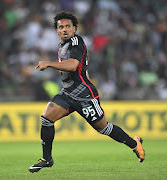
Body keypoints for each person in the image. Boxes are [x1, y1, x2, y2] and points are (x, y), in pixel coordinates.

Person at [28, 12, 145, 173]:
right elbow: (80, 67)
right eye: (61, 27)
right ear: (57, 30)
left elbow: (72, 66)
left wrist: (48, 63)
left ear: (74, 28)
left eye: (68, 26)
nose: (64, 29)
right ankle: (47, 159)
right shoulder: (61, 46)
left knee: (103, 128)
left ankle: (134, 143)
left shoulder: (77, 41)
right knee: (46, 118)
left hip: (85, 96)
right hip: (68, 93)